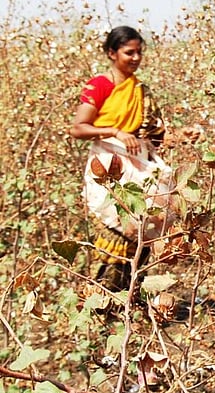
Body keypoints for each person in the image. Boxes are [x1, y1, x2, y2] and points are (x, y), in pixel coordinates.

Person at [70, 25, 173, 293]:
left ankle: (130, 297)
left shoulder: (140, 90)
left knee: (142, 228)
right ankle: (102, 299)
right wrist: (114, 131)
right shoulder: (100, 85)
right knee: (114, 230)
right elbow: (79, 128)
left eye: (139, 52)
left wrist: (177, 136)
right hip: (108, 166)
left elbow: (154, 133)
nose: (136, 58)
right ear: (111, 53)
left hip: (137, 164)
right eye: (129, 52)